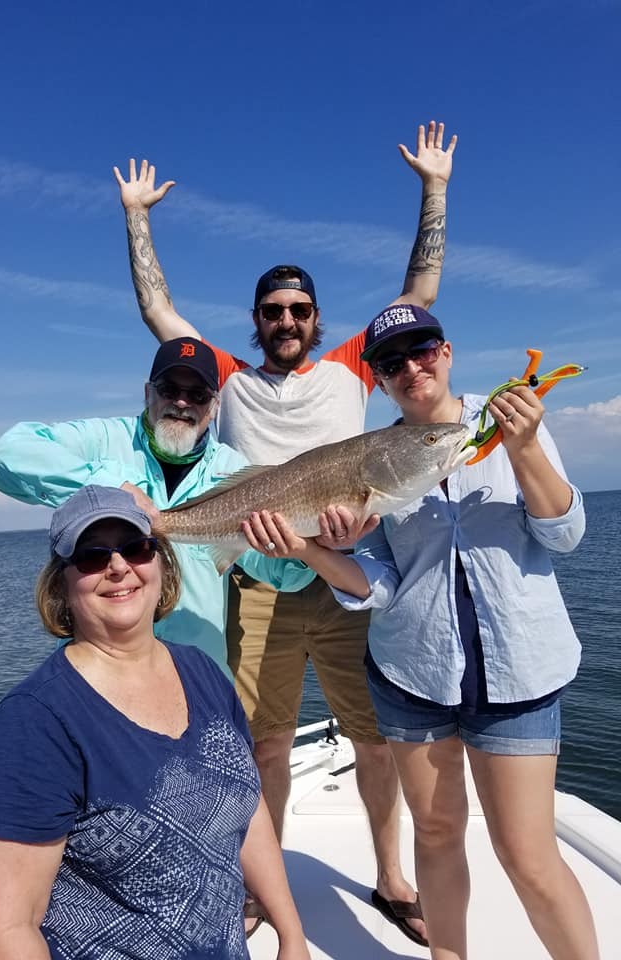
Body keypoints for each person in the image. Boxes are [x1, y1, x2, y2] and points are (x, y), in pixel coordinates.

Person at [112, 121, 458, 945]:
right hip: (259, 587)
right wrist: (137, 216)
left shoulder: (351, 367)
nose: (287, 320)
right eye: (273, 311)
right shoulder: (228, 378)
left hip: (347, 582)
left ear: (317, 317)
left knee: (374, 743)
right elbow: (159, 312)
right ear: (256, 321)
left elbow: (419, 294)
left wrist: (434, 187)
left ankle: (391, 877)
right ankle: (262, 888)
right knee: (265, 747)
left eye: (299, 309)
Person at [239, 303, 599, 960]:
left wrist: (523, 450)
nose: (411, 367)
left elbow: (563, 534)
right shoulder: (376, 457)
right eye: (391, 362)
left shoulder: (511, 421)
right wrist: (310, 550)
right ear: (378, 380)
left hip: (518, 671)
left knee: (527, 856)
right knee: (433, 834)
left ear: (447, 352)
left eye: (423, 350)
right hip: (412, 673)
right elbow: (378, 582)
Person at [0, 485, 311, 960]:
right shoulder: (35, 722)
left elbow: (245, 809)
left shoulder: (203, 671)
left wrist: (291, 933)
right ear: (60, 585)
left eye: (136, 547)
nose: (118, 566)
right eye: (92, 556)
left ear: (161, 563)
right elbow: (0, 930)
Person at [0, 337, 315, 678]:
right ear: (148, 393)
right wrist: (110, 486)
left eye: (198, 395)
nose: (182, 402)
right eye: (169, 390)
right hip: (96, 673)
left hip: (196, 674)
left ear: (215, 406)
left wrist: (307, 549)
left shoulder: (233, 469)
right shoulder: (104, 440)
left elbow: (281, 575)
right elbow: (7, 454)